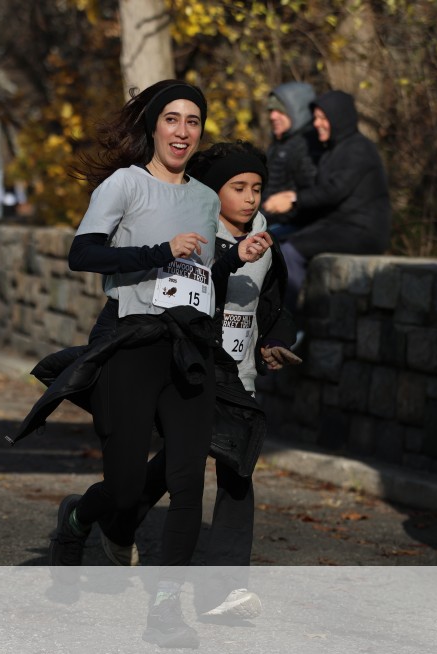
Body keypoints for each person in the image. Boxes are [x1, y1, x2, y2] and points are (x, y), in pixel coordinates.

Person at [7, 80, 272, 649]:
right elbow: (83, 253)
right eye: (172, 119)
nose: (183, 131)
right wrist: (158, 251)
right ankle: (77, 520)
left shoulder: (205, 199)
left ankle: (164, 610)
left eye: (193, 121)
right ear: (154, 126)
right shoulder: (125, 184)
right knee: (126, 492)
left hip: (189, 349)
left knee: (186, 482)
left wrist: (232, 261)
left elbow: (196, 277)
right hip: (132, 343)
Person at [98, 141, 301, 618]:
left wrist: (273, 340)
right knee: (177, 466)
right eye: (238, 187)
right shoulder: (193, 235)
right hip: (191, 369)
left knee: (237, 471)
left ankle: (223, 590)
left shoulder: (266, 241)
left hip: (239, 375)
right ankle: (109, 518)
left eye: (256, 188)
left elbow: (274, 303)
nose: (250, 198)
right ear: (212, 192)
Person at [265, 90, 392, 312]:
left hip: (361, 232)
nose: (316, 124)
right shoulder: (332, 150)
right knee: (271, 241)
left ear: (339, 119)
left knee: (290, 251)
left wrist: (293, 199)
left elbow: (334, 190)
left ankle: (288, 319)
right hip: (335, 226)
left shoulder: (358, 148)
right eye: (315, 118)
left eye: (323, 118)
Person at [259, 82, 319, 238]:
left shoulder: (308, 145)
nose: (273, 116)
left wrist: (291, 202)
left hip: (292, 226)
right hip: (269, 221)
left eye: (280, 110)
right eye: (271, 110)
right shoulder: (280, 143)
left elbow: (315, 195)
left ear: (297, 111)